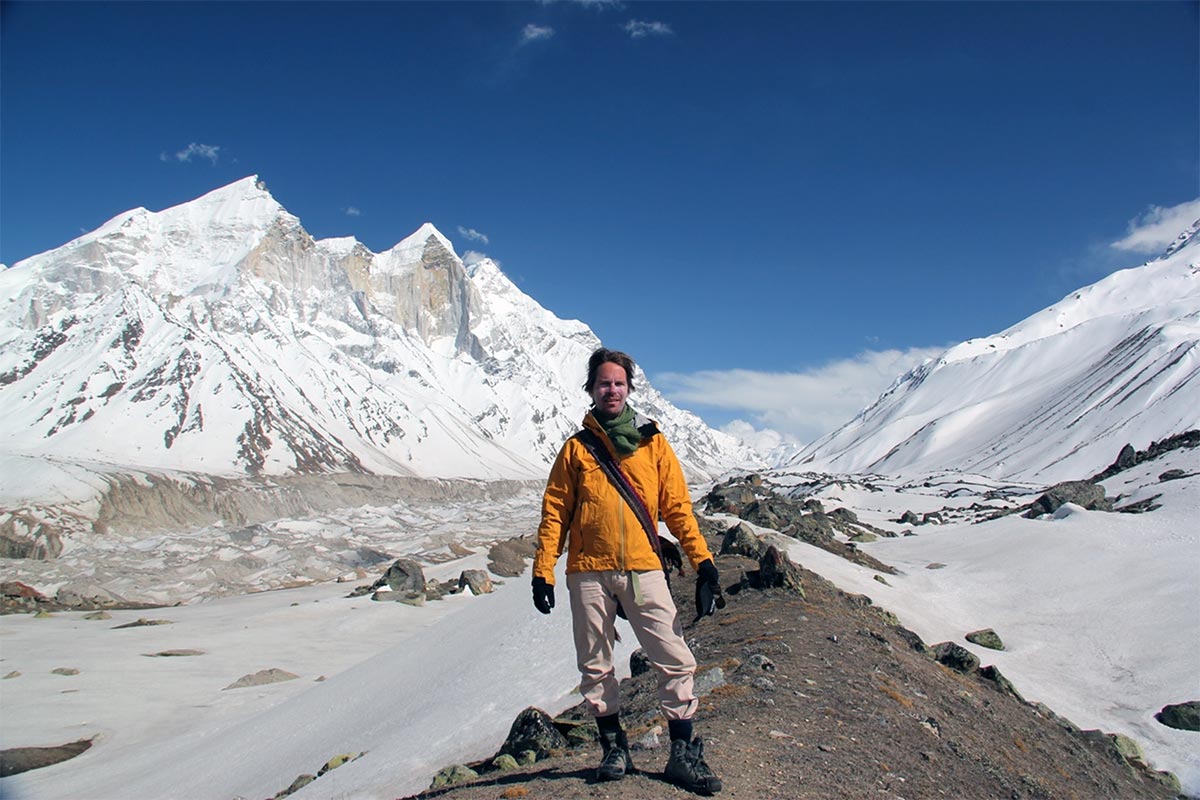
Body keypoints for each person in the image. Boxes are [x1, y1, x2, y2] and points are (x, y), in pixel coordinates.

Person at [532, 347, 723, 794]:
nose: (611, 389)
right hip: (588, 572)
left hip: (643, 566)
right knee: (595, 665)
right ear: (591, 390)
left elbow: (676, 508)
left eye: (618, 383)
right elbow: (555, 511)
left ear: (629, 388)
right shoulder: (576, 450)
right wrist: (544, 569)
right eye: (604, 383)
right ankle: (614, 749)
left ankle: (681, 753)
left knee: (674, 656)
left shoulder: (652, 442)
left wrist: (704, 562)